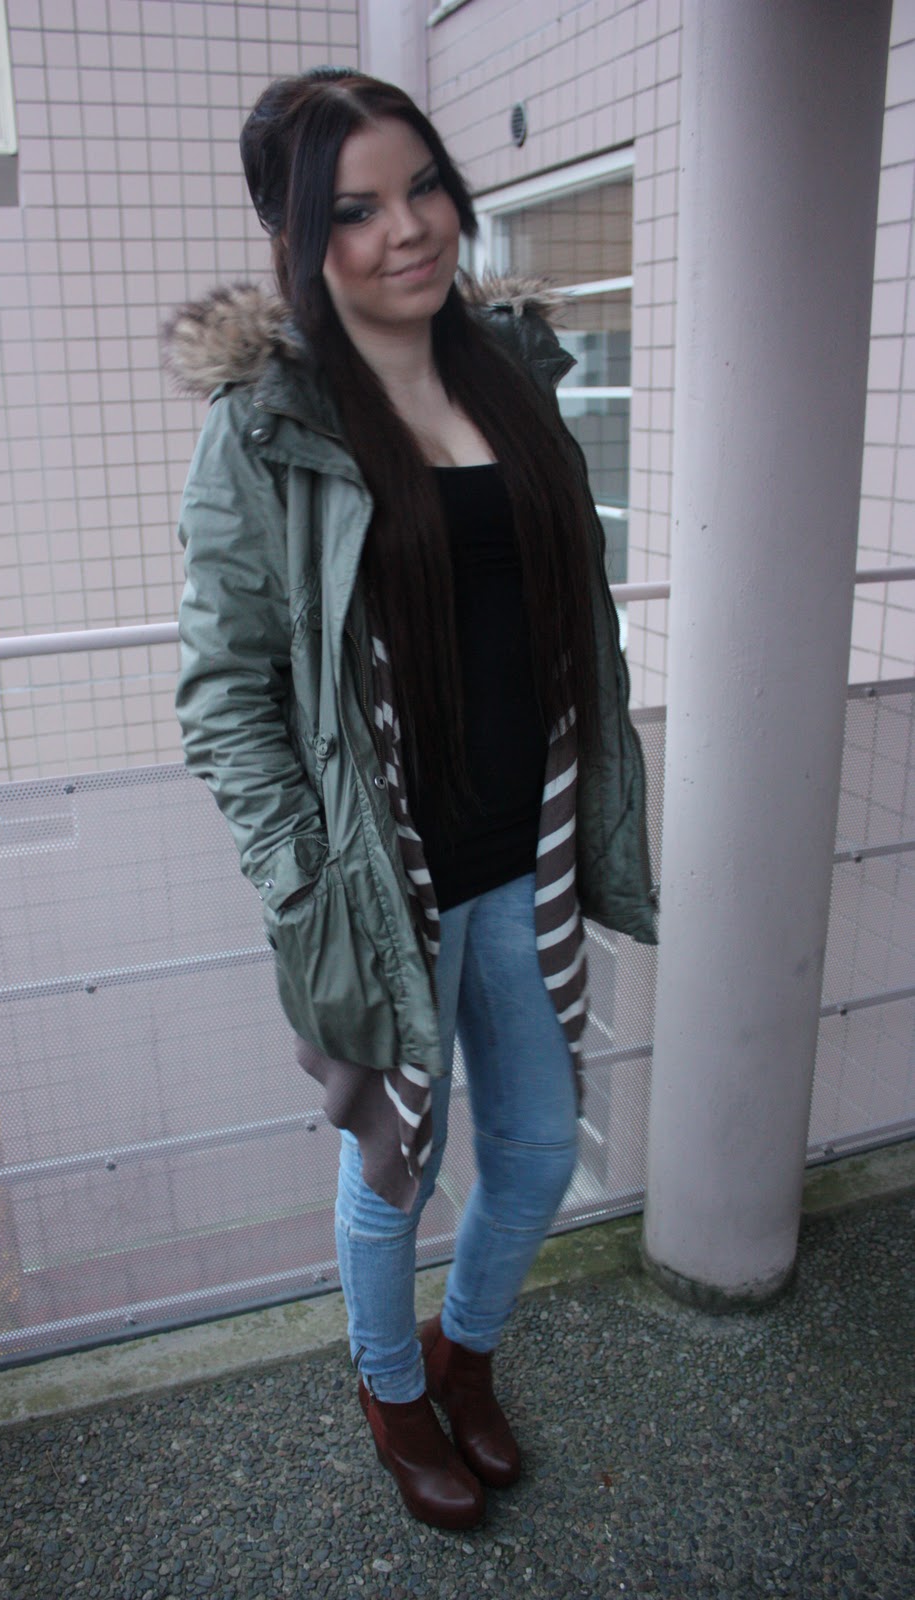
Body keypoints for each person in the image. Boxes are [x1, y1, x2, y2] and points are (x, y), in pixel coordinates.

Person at [167, 68, 656, 1532]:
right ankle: (393, 1395)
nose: (408, 230)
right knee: (396, 1161)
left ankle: (467, 1354)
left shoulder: (513, 371)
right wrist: (303, 879)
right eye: (357, 210)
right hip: (388, 878)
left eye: (424, 186)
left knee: (538, 1149)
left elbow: (573, 613)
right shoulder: (267, 430)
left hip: (528, 854)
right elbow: (225, 691)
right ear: (298, 240)